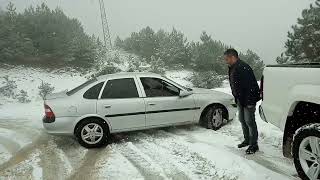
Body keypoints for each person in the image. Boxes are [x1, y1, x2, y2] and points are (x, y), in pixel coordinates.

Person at [224, 48, 261, 154]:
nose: (226, 61)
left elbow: (251, 86)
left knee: (250, 121)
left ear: (232, 57)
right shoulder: (233, 67)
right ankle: (247, 140)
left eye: (227, 59)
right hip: (240, 99)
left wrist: (250, 102)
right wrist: (236, 98)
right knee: (242, 120)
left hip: (248, 100)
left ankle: (254, 145)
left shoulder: (243, 67)